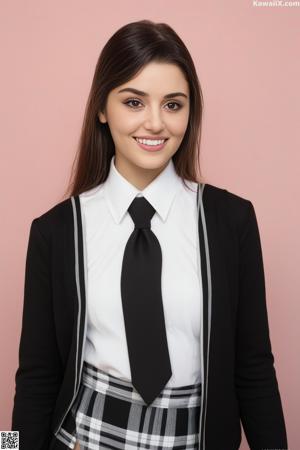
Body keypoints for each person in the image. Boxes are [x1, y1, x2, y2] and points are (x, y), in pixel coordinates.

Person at [11, 20, 288, 450]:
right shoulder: (55, 231)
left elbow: (254, 369)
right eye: (134, 102)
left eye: (173, 105)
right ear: (102, 108)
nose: (155, 123)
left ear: (190, 111)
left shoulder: (232, 222)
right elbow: (35, 379)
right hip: (87, 437)